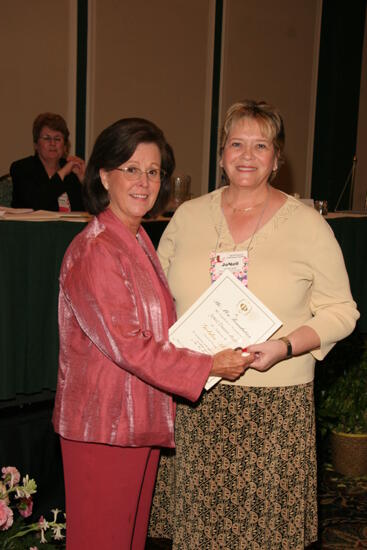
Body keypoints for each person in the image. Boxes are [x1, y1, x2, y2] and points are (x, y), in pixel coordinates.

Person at [148, 100, 359, 549]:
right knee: (198, 530)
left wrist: (284, 346)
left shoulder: (306, 225)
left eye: (260, 145)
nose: (247, 155)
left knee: (263, 535)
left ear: (277, 158)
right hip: (198, 398)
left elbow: (342, 311)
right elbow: (156, 300)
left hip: (273, 407)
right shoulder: (186, 217)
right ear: (221, 153)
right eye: (236, 143)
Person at [52, 117, 252, 550]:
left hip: (136, 420)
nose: (144, 182)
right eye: (131, 168)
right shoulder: (95, 250)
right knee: (101, 543)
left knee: (127, 541)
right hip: (101, 426)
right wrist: (207, 364)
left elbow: (158, 328)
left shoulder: (137, 238)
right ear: (104, 175)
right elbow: (130, 345)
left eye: (154, 171)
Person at [10, 112, 85, 211]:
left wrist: (84, 180)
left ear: (65, 146)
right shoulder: (21, 168)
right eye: (47, 138)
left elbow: (93, 210)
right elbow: (38, 204)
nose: (52, 143)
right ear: (36, 144)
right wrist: (61, 174)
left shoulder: (72, 171)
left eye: (57, 139)